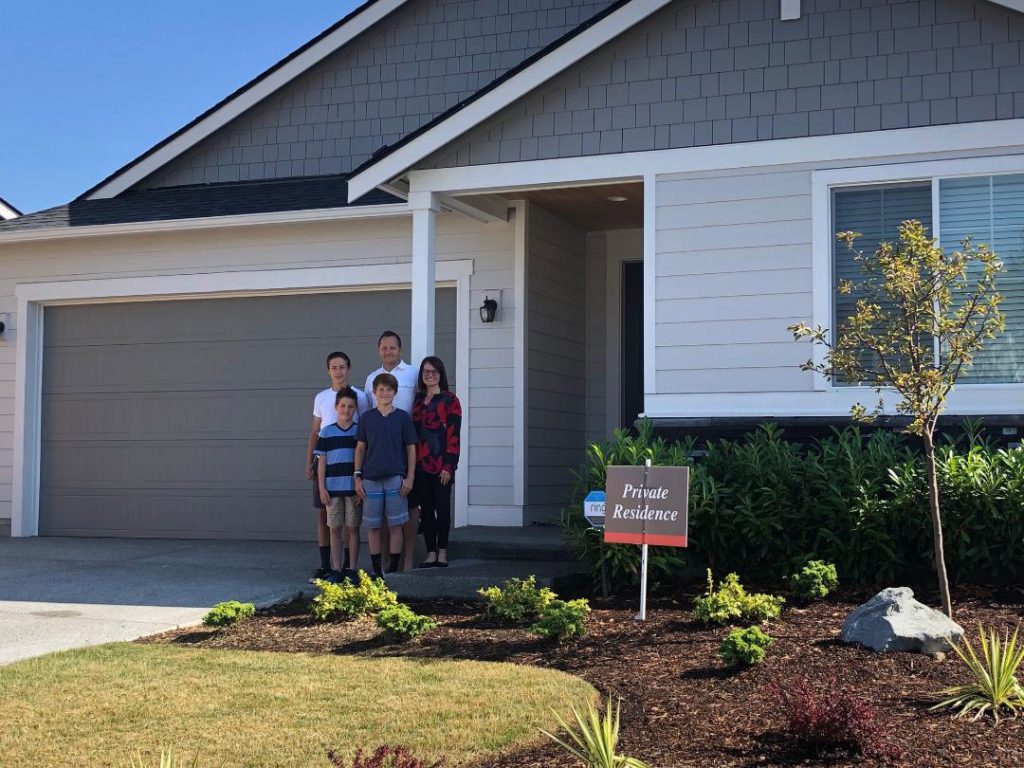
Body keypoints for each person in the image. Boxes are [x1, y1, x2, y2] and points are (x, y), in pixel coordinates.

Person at [307, 351, 369, 581]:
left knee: (351, 524)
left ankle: (349, 568)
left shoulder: (360, 397)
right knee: (327, 516)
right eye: (334, 367)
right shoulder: (321, 398)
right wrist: (309, 463)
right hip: (327, 465)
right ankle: (329, 567)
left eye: (342, 367)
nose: (338, 371)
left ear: (348, 368)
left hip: (352, 471)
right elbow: (315, 432)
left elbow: (364, 437)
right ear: (328, 370)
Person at [363, 330, 419, 567]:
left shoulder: (413, 373)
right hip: (380, 454)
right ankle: (384, 562)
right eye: (384, 348)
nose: (388, 351)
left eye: (393, 347)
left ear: (400, 349)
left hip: (407, 444)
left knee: (409, 507)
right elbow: (368, 415)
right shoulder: (371, 378)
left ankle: (407, 558)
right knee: (381, 515)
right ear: (379, 350)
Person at [354, 373, 417, 577]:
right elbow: (360, 448)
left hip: (396, 478)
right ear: (374, 392)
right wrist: (357, 477)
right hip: (370, 479)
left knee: (395, 525)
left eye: (389, 389)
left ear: (395, 392)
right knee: (373, 526)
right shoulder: (367, 418)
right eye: (381, 389)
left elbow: (411, 449)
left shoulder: (402, 418)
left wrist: (410, 478)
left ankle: (392, 570)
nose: (385, 393)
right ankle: (376, 569)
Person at [411, 356, 462, 568]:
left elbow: (454, 434)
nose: (430, 375)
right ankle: (430, 551)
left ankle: (442, 552)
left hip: (442, 465)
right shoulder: (417, 403)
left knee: (442, 509)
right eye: (426, 372)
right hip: (421, 465)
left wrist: (449, 465)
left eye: (434, 372)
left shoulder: (450, 400)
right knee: (426, 509)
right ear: (422, 376)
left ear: (441, 375)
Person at [314, 388, 361, 581]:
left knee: (353, 528)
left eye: (351, 406)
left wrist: (360, 484)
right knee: (334, 528)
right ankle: (335, 569)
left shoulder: (359, 431)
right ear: (336, 407)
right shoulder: (326, 433)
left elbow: (363, 459)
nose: (346, 410)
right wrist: (322, 488)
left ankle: (351, 568)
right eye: (343, 405)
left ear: (355, 408)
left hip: (352, 489)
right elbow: (321, 463)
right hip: (332, 490)